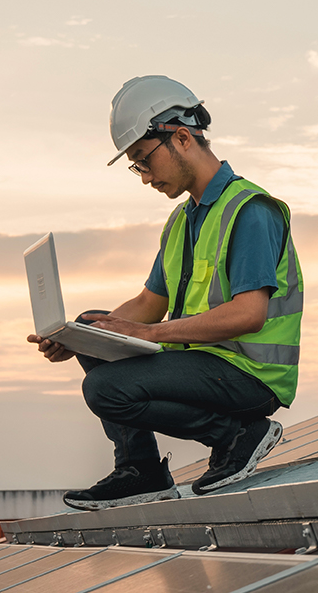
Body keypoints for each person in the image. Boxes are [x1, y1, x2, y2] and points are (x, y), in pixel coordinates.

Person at [28, 76, 303, 509]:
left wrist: (152, 335)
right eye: (135, 166)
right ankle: (141, 471)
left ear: (180, 137)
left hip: (251, 375)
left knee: (105, 389)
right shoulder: (182, 221)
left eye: (144, 160)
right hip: (205, 364)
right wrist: (74, 334)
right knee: (91, 326)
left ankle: (238, 435)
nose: (144, 177)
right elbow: (147, 306)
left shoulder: (250, 211)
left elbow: (250, 314)